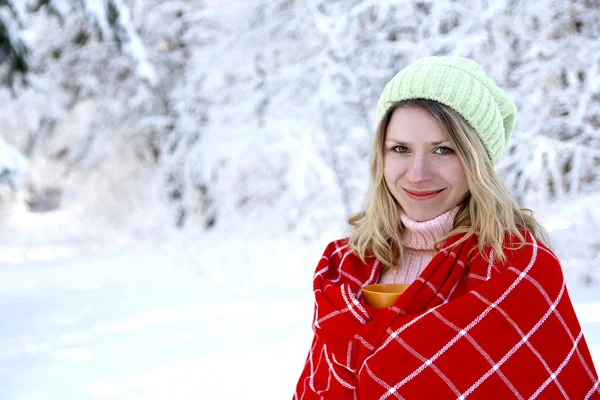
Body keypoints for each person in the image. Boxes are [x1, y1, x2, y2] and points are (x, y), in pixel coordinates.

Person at [293, 56, 600, 399]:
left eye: (443, 150)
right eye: (400, 149)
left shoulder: (517, 270)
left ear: (476, 161)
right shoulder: (349, 267)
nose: (418, 173)